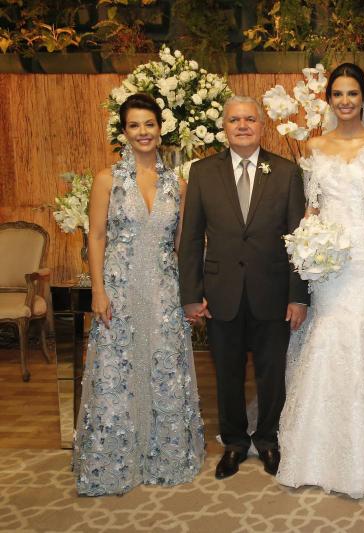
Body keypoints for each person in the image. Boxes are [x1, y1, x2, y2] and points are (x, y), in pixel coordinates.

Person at [275, 63, 364, 498]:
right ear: (329, 100)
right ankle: (317, 450)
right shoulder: (315, 146)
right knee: (328, 337)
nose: (345, 101)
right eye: (338, 94)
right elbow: (312, 209)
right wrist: (308, 249)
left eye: (353, 93)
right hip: (329, 262)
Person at [74, 93, 205, 496]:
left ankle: (163, 455)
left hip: (164, 290)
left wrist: (189, 293)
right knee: (117, 370)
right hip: (120, 289)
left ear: (161, 129)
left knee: (163, 367)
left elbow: (182, 245)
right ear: (124, 132)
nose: (143, 132)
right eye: (134, 125)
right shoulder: (107, 179)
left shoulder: (177, 184)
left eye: (149, 124)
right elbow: (97, 237)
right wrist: (98, 289)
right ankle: (114, 459)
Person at [178, 95, 308, 480]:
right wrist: (190, 294)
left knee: (272, 374)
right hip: (221, 293)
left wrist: (298, 296)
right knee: (228, 375)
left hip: (273, 292)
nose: (242, 126)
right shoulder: (203, 172)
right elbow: (191, 238)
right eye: (235, 120)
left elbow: (299, 239)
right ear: (224, 127)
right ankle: (234, 443)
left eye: (250, 119)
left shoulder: (286, 172)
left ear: (262, 126)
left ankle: (268, 440)